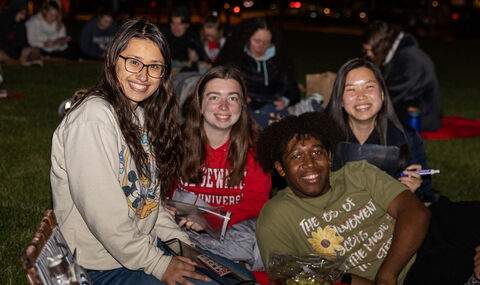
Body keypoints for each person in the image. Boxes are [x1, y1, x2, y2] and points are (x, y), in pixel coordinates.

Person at [50, 18, 209, 284]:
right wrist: (159, 264)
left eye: (154, 67)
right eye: (134, 62)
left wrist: (180, 243)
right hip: (101, 265)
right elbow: (106, 220)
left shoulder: (138, 114)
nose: (143, 76)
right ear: (114, 60)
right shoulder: (93, 119)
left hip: (136, 250)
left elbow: (147, 205)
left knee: (234, 277)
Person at [255, 113, 480, 284]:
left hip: (431, 230)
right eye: (296, 156)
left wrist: (386, 275)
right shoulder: (276, 216)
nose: (310, 163)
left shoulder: (357, 173)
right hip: (414, 272)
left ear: (329, 157)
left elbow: (416, 212)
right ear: (280, 169)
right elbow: (289, 276)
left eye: (317, 152)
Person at [175, 65, 271, 269]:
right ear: (200, 104)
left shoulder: (256, 148)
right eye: (214, 97)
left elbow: (256, 202)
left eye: (233, 98)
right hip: (183, 232)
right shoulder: (175, 144)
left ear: (242, 106)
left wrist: (208, 218)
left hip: (235, 232)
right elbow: (162, 195)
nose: (224, 106)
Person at [327, 58, 434, 202]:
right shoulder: (323, 138)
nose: (361, 96)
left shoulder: (407, 137)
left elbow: (427, 195)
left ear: (382, 94)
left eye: (369, 87)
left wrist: (412, 191)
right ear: (340, 100)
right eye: (351, 89)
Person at [216, 18, 309, 127]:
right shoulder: (235, 58)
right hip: (245, 108)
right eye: (257, 41)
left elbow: (291, 87)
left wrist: (285, 100)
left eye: (266, 42)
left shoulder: (280, 59)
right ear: (247, 38)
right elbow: (222, 83)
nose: (261, 46)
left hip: (273, 106)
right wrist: (238, 94)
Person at [363, 20, 442, 132]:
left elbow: (392, 95)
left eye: (369, 50)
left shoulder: (409, 59)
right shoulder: (400, 54)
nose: (368, 54)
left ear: (381, 44)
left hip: (422, 117)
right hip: (407, 106)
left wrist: (363, 104)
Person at [161, 6, 206, 72]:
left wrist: (196, 59)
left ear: (187, 25)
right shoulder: (164, 37)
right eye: (173, 23)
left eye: (179, 24)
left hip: (186, 73)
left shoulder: (192, 37)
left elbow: (203, 58)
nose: (175, 27)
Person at [0, 1, 42, 66]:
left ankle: (20, 62)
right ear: (14, 11)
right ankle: (15, 62)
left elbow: (24, 42)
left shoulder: (21, 25)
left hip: (16, 53)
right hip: (4, 52)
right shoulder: (3, 21)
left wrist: (25, 49)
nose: (23, 17)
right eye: (21, 14)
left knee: (34, 50)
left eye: (25, 14)